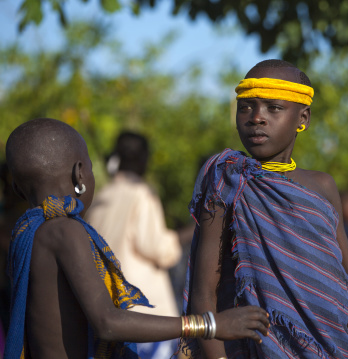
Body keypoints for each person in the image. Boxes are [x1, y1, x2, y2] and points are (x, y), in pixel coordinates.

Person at [179, 59, 348, 359]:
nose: (256, 118)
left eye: (273, 108)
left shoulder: (323, 187)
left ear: (303, 117)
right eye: (246, 107)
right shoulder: (227, 181)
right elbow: (203, 293)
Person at [3, 118, 270, 359]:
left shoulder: (27, 232)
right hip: (147, 320)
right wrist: (210, 325)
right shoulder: (66, 230)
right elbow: (107, 322)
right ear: (80, 173)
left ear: (16, 187)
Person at [85, 131, 183, 359]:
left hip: (108, 310)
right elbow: (157, 248)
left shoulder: (100, 197)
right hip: (143, 314)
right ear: (142, 159)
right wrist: (176, 240)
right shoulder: (142, 193)